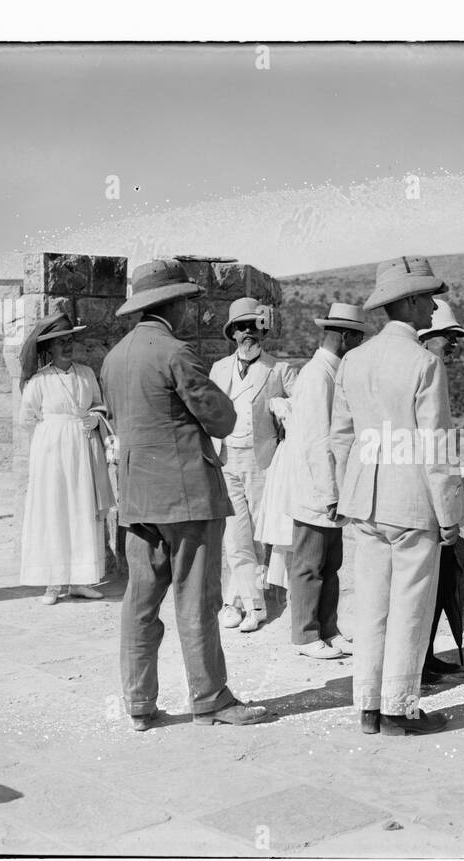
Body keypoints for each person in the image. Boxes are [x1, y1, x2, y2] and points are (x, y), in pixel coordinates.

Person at [100, 259, 271, 730]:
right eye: (186, 302)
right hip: (187, 496)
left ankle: (138, 704)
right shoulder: (175, 352)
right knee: (196, 600)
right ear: (171, 305)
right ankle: (210, 699)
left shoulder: (114, 358)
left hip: (137, 495)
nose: (191, 312)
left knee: (139, 602)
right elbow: (222, 419)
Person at [330, 257, 464, 736]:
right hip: (411, 503)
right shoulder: (425, 363)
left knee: (371, 605)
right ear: (408, 302)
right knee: (411, 607)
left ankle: (367, 706)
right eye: (428, 296)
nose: (434, 305)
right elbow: (436, 448)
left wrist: (339, 493)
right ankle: (398, 709)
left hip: (364, 501)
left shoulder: (353, 360)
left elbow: (341, 438)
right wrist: (451, 514)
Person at [286, 302, 370, 661]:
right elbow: (317, 440)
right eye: (358, 337)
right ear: (346, 335)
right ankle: (305, 634)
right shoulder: (317, 376)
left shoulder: (330, 372)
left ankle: (328, 627)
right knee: (310, 564)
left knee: (330, 564)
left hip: (330, 487)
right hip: (318, 488)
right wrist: (329, 492)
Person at [209, 297, 297, 633]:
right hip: (226, 458)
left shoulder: (279, 370)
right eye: (241, 327)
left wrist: (284, 409)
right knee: (234, 536)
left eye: (253, 326)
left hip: (262, 462)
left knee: (260, 538)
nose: (248, 333)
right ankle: (251, 604)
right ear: (232, 333)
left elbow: (303, 408)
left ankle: (242, 603)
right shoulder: (219, 369)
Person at [18, 312, 114, 605]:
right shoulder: (40, 381)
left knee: (81, 508)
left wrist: (94, 419)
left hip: (83, 449)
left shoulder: (85, 374)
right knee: (55, 510)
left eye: (70, 340)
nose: (66, 346)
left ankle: (80, 579)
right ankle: (53, 582)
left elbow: (100, 405)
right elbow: (27, 419)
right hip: (51, 452)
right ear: (48, 348)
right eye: (60, 342)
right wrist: (54, 434)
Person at [416, 299, 464, 683]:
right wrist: (449, 515)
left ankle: (425, 655)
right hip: (424, 501)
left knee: (435, 586)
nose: (453, 344)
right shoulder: (428, 371)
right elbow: (436, 449)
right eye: (447, 337)